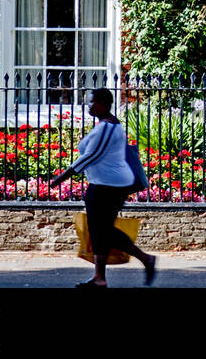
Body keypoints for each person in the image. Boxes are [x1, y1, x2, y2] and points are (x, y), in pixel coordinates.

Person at [50, 87, 157, 287]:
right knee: (98, 230)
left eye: (92, 102)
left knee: (103, 231)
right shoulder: (105, 126)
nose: (89, 106)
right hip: (101, 185)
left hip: (110, 187)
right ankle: (100, 277)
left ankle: (145, 259)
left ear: (103, 104)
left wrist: (61, 177)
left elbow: (90, 156)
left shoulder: (108, 128)